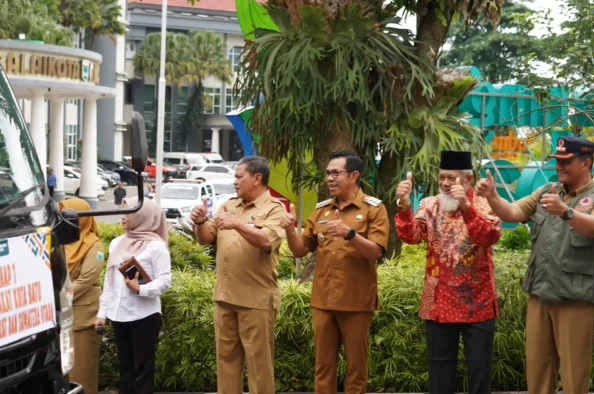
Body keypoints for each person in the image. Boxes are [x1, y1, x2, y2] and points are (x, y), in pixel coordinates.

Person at [475, 136, 594, 394]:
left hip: (577, 298)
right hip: (541, 294)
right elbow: (512, 213)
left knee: (574, 376)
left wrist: (566, 212)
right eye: (557, 161)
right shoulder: (545, 192)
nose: (559, 166)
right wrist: (492, 196)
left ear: (586, 163)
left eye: (566, 161)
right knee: (537, 371)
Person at [394, 151, 502, 394]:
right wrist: (403, 205)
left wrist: (466, 206)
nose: (444, 183)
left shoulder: (486, 204)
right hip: (437, 301)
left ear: (468, 179)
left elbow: (489, 236)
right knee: (439, 370)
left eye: (452, 178)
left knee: (479, 369)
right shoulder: (429, 204)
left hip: (478, 301)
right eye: (442, 177)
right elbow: (412, 236)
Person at [282, 151, 389, 394]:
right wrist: (289, 230)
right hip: (323, 300)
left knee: (356, 369)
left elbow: (375, 252)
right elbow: (300, 250)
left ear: (353, 176)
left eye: (335, 173)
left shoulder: (374, 209)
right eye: (327, 173)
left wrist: (349, 234)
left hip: (356, 301)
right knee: (323, 367)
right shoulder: (321, 210)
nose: (329, 178)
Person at [191, 156, 286, 394]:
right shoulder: (229, 205)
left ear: (257, 178)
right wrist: (200, 220)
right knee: (226, 365)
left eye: (238, 176)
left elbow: (266, 241)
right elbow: (205, 237)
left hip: (256, 300)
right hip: (225, 298)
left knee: (259, 367)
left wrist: (237, 224)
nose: (234, 181)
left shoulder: (274, 209)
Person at [95, 197, 172, 394]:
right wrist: (102, 313)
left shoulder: (156, 246)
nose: (122, 217)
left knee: (143, 369)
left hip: (144, 316)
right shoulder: (117, 243)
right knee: (125, 366)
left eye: (128, 212)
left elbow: (165, 281)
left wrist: (140, 289)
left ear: (142, 215)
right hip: (119, 314)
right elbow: (109, 281)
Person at [59, 198, 104, 394]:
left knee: (82, 370)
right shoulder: (60, 243)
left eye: (67, 216)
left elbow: (86, 280)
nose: (62, 220)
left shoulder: (94, 245)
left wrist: (58, 298)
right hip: (61, 317)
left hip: (83, 316)